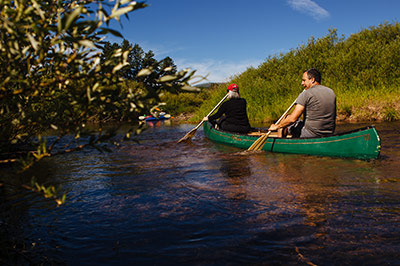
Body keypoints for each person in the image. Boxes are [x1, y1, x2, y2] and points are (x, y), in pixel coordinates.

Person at [269, 68, 336, 138]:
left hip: (310, 134)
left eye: (304, 80)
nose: (302, 83)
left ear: (312, 80)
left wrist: (277, 126)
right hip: (329, 133)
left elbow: (292, 119)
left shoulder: (306, 94)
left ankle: (280, 141)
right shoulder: (331, 92)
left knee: (286, 117)